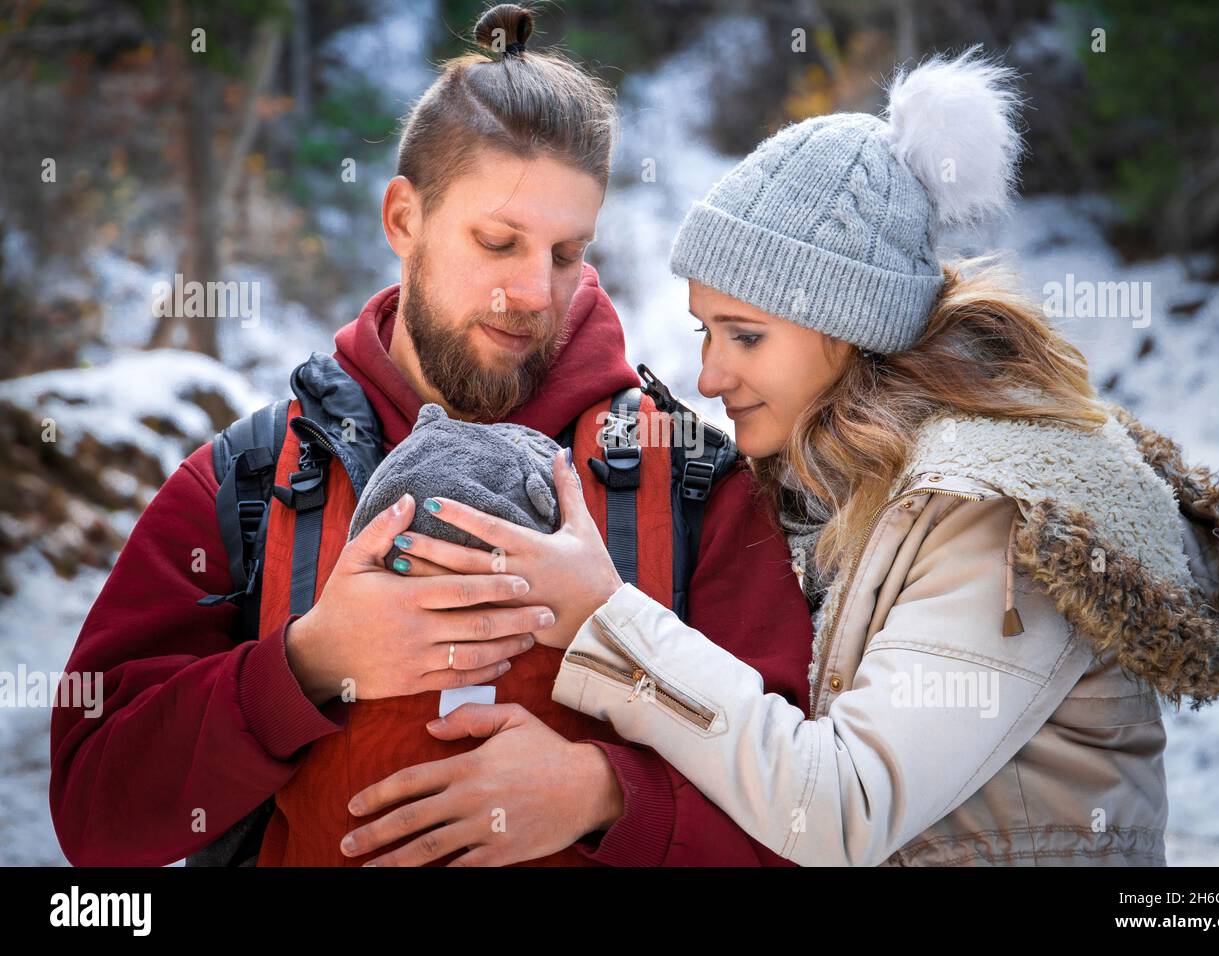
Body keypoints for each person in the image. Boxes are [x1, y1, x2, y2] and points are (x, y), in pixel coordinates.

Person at [409, 47, 1219, 866]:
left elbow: (841, 805)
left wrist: (606, 619)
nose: (710, 376)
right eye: (704, 334)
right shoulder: (850, 488)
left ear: (848, 327)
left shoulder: (992, 512)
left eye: (746, 337)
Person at [48, 3, 813, 867]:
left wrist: (605, 796)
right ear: (403, 220)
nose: (534, 290)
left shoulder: (694, 485)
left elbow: (805, 814)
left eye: (567, 253)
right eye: (498, 241)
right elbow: (92, 812)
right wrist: (303, 667)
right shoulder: (250, 484)